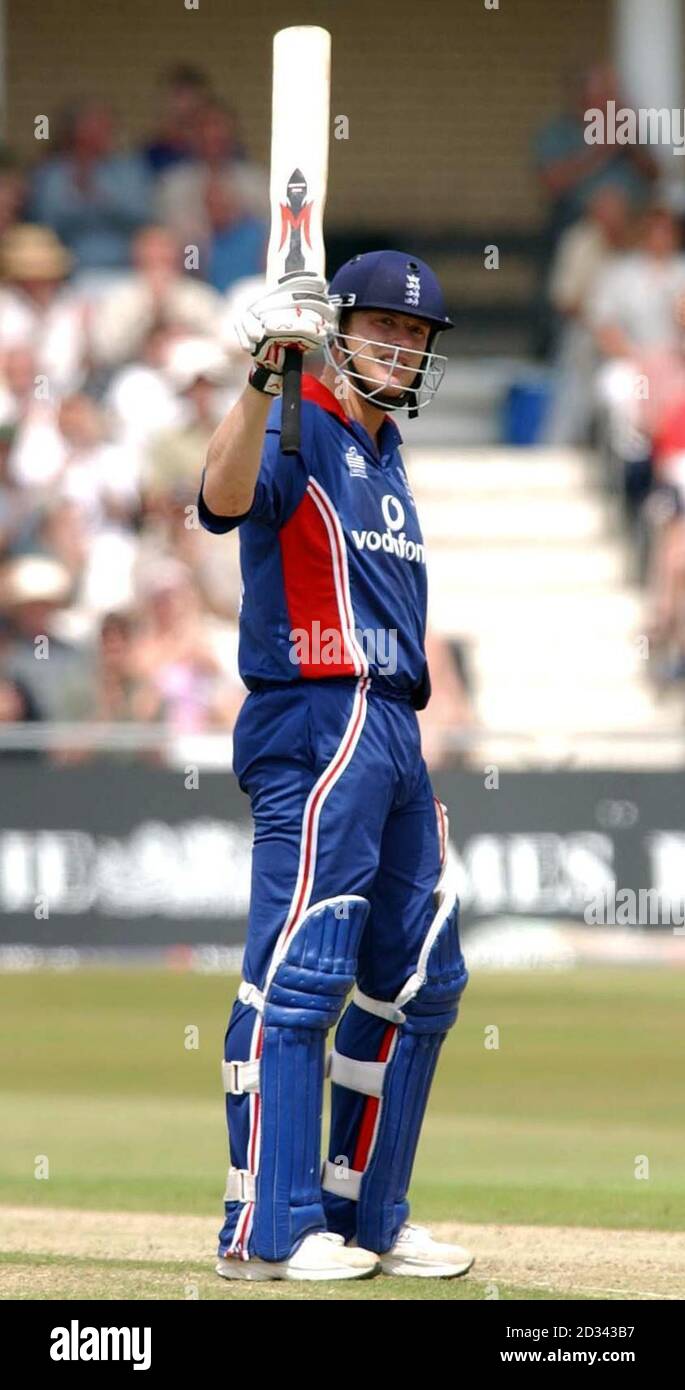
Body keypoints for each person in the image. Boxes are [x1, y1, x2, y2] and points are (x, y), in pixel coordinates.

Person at [198, 250, 472, 1282]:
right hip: (315, 712)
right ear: (341, 328)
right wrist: (266, 367)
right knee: (301, 966)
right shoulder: (296, 420)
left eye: (417, 338)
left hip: (393, 722)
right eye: (385, 329)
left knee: (421, 977)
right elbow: (221, 499)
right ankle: (268, 1229)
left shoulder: (385, 448)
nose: (403, 349)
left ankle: (367, 1216)